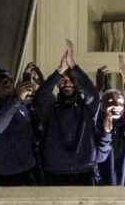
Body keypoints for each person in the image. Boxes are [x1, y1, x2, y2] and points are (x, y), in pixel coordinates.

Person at [0, 25, 40, 185]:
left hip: (29, 171)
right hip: (2, 176)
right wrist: (16, 99)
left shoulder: (22, 103)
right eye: (1, 80)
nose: (6, 81)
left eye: (10, 79)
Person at [35, 39, 100, 186]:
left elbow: (93, 94)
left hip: (84, 171)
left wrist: (74, 67)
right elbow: (41, 96)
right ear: (58, 83)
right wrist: (59, 70)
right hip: (55, 171)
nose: (67, 83)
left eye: (72, 80)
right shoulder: (50, 108)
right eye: (63, 80)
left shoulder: (87, 107)